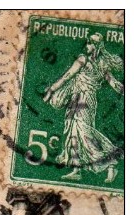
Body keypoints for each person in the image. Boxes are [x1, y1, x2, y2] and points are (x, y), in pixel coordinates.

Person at [43, 32, 124, 183]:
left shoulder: (93, 62)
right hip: (77, 98)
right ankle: (76, 169)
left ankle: (111, 164)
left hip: (85, 100)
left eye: (90, 43)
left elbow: (67, 76)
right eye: (87, 43)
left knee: (85, 133)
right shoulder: (93, 62)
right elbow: (113, 83)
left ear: (97, 46)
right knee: (74, 133)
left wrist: (52, 89)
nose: (87, 46)